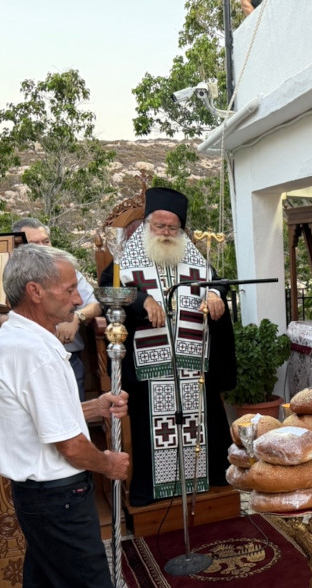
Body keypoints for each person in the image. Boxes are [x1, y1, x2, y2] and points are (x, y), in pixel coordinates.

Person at [0, 243, 194, 588]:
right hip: (59, 496)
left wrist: (93, 408)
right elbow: (69, 446)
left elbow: (45, 416)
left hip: (35, 496)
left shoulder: (11, 340)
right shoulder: (34, 352)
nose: (79, 296)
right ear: (34, 292)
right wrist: (110, 464)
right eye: (68, 287)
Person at [99, 187, 236, 506]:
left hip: (193, 364)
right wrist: (141, 300)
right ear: (146, 226)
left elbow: (217, 282)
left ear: (181, 230)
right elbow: (107, 289)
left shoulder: (194, 259)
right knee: (153, 430)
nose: (164, 232)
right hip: (150, 370)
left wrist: (216, 294)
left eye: (171, 227)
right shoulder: (127, 259)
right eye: (158, 226)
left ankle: (209, 481)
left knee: (203, 424)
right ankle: (154, 491)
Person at [12, 218, 102, 399]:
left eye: (46, 241)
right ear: (18, 247)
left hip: (67, 357)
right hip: (25, 361)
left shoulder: (68, 271)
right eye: (35, 243)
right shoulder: (10, 276)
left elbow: (95, 305)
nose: (44, 248)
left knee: (75, 418)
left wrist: (77, 317)